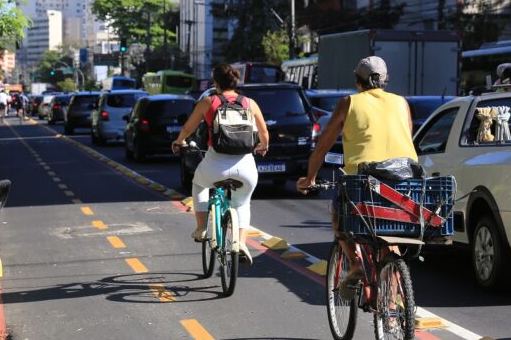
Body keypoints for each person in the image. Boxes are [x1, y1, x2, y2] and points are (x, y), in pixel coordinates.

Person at [296, 56, 417, 295]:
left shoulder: (348, 103)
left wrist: (309, 179)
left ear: (356, 80)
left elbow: (322, 146)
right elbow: (407, 136)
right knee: (390, 234)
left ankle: (354, 263)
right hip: (405, 179)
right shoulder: (401, 102)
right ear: (385, 80)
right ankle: (391, 307)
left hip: (363, 180)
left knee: (338, 214)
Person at [171, 64, 270, 264]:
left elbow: (188, 128)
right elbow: (264, 133)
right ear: (236, 81)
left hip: (215, 164)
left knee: (198, 184)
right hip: (246, 167)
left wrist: (178, 141)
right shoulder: (250, 103)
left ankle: (201, 228)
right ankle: (241, 243)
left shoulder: (208, 101)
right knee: (242, 202)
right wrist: (262, 146)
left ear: (215, 82)